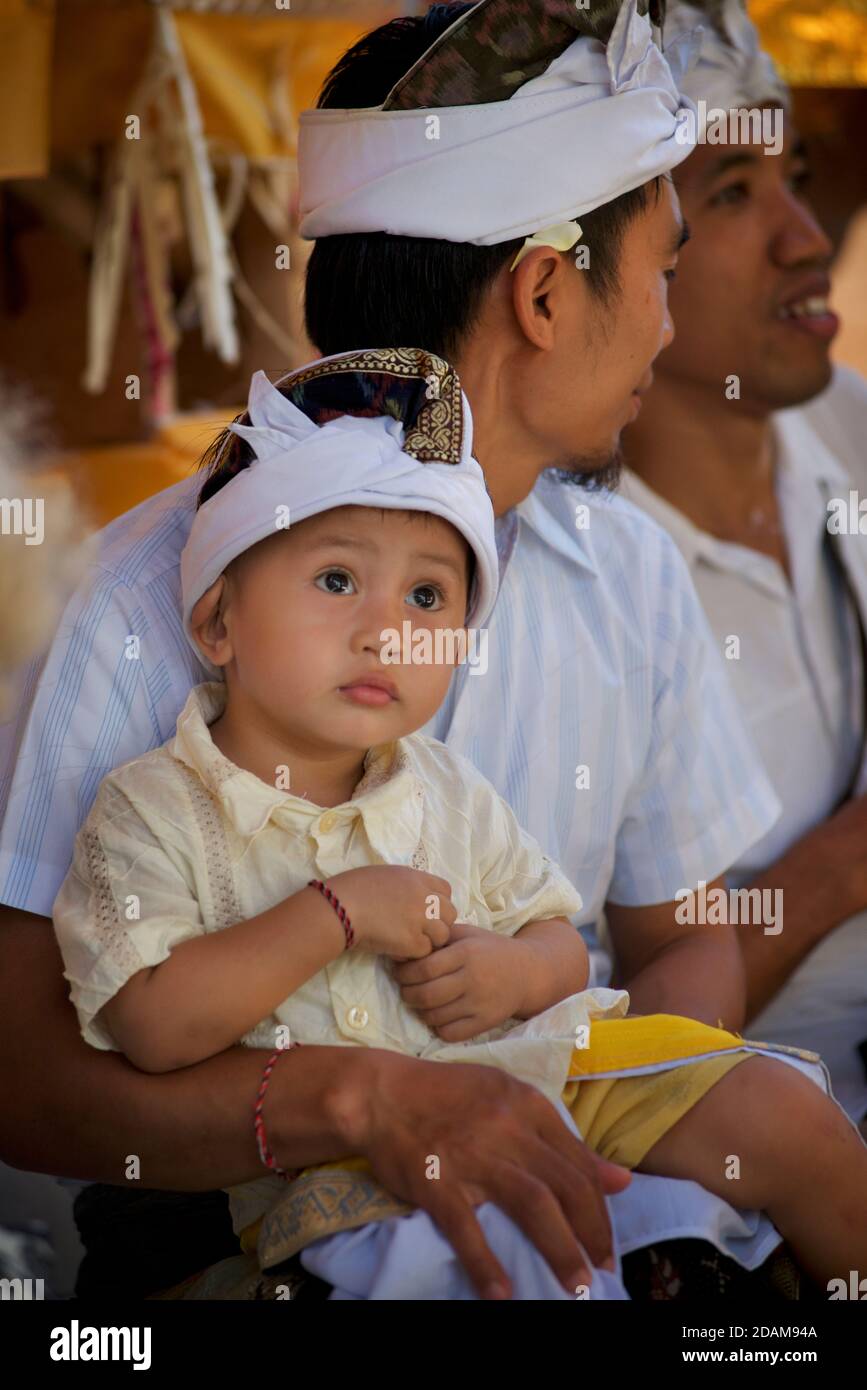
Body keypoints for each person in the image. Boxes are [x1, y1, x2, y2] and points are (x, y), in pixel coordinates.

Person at [0, 0, 785, 1299]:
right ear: (543, 291)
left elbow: (681, 937)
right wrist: (361, 1101)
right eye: (658, 270)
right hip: (229, 1247)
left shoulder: (629, 572)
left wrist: (591, 1111)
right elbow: (22, 1078)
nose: (664, 323)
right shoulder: (152, 597)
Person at [51, 352, 867, 1298]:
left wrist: (515, 971)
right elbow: (151, 1024)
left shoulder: (444, 787)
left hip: (544, 1081)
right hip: (343, 1182)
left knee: (782, 1115)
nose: (386, 630)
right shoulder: (151, 806)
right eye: (334, 580)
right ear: (216, 621)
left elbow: (558, 944)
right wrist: (335, 913)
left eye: (427, 597)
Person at [620, 0, 867, 1122]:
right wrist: (833, 872)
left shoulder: (854, 432)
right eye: (731, 193)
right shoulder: (555, 581)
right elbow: (578, 1057)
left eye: (794, 175)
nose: (808, 236)